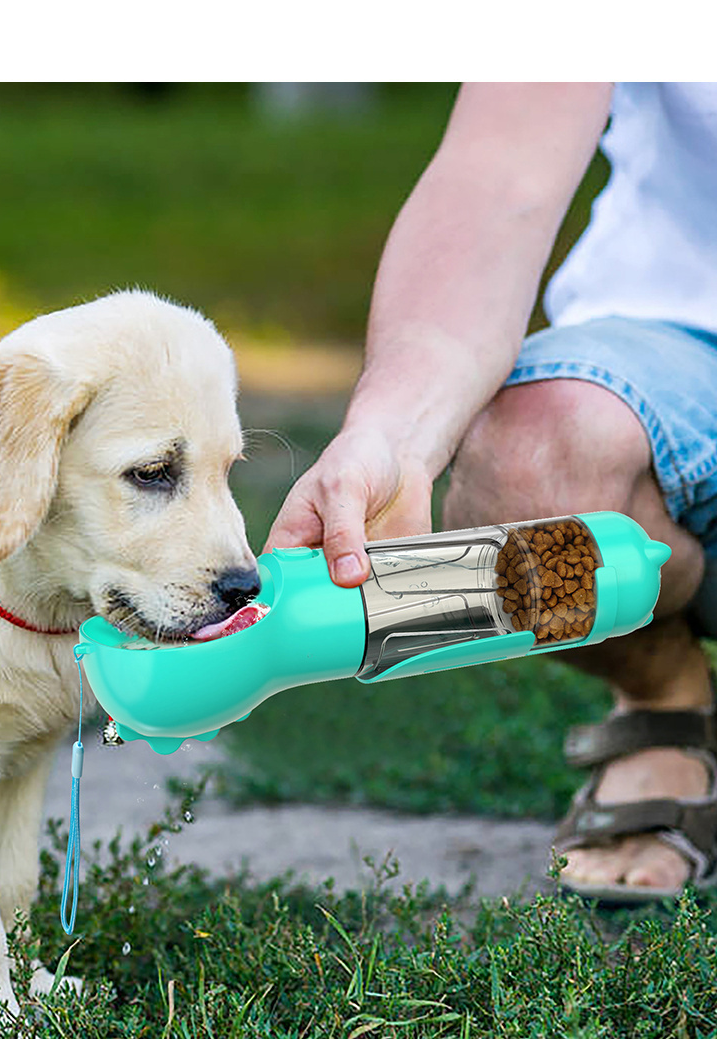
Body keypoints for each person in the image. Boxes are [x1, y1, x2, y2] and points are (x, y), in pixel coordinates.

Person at [265, 82, 717, 902]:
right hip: (683, 336)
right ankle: (667, 701)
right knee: (535, 466)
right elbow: (497, 175)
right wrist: (395, 437)